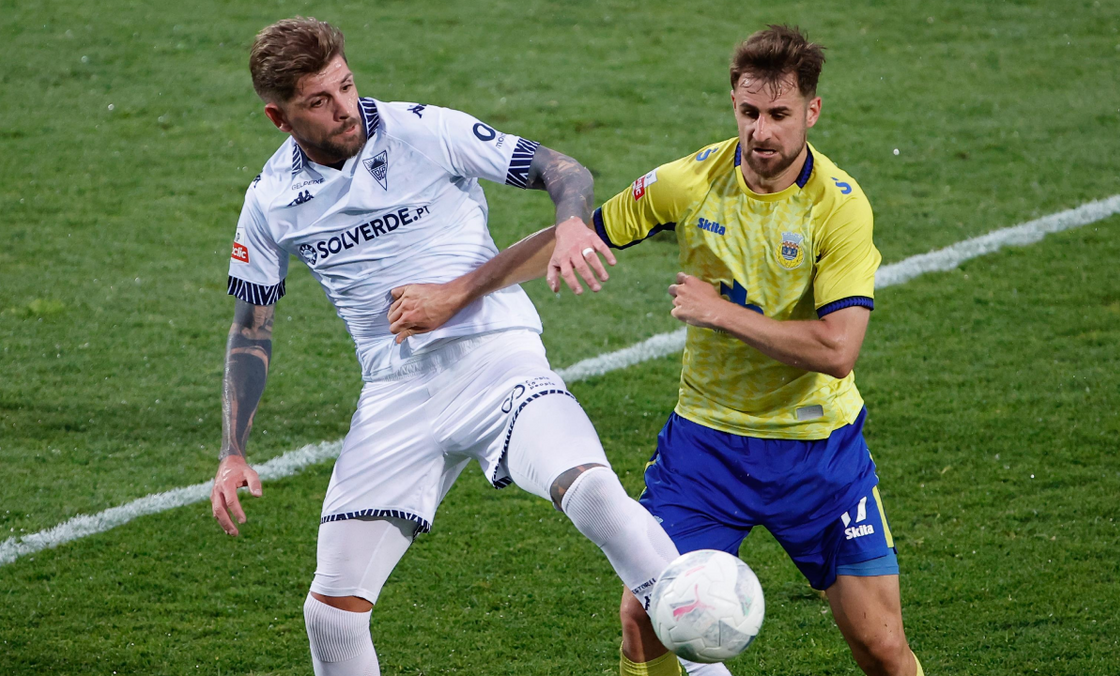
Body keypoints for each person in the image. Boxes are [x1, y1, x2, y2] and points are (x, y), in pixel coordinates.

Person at [390, 25, 924, 676]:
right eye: (749, 112)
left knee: (881, 647)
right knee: (643, 621)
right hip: (707, 450)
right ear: (734, 104)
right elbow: (577, 235)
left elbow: (838, 349)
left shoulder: (838, 209)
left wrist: (718, 312)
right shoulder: (690, 182)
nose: (761, 132)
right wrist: (456, 293)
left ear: (812, 111)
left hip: (819, 454)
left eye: (780, 115)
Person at [209, 17, 679, 676]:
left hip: (496, 359)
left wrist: (571, 225)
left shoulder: (421, 131)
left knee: (593, 493)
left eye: (346, 85)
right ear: (279, 117)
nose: (345, 108)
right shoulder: (270, 201)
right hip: (396, 394)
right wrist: (233, 452)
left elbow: (561, 168)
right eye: (319, 100)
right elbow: (251, 327)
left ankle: (707, 660)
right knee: (331, 614)